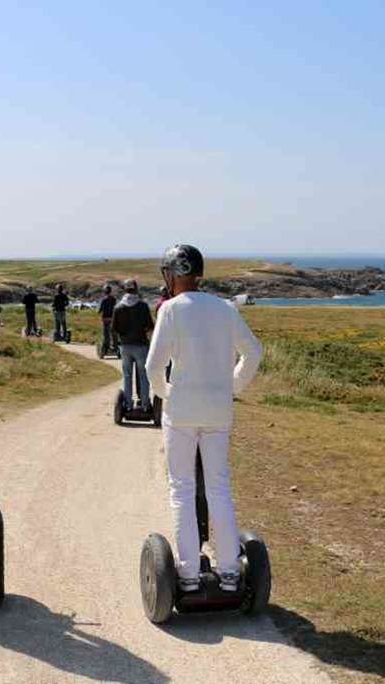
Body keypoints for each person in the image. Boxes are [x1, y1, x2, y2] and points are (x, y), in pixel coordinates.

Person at [145, 244, 263, 593]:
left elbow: (153, 366)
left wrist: (167, 394)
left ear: (176, 272)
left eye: (168, 272)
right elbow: (253, 353)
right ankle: (229, 572)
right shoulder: (225, 309)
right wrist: (231, 386)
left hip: (181, 412)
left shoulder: (171, 311)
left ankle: (188, 574)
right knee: (218, 488)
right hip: (218, 411)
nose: (166, 279)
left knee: (182, 490)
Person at [112, 279, 155, 410]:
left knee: (127, 375)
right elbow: (150, 326)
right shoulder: (143, 306)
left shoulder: (118, 307)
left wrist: (122, 337)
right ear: (136, 289)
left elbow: (114, 328)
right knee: (143, 375)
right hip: (141, 344)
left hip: (125, 345)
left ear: (125, 290)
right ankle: (145, 404)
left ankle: (128, 404)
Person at [97, 285, 117, 355]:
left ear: (104, 291)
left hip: (105, 318)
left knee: (106, 334)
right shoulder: (114, 299)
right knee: (113, 333)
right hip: (112, 318)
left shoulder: (103, 300)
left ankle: (106, 348)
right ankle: (115, 347)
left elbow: (99, 310)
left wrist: (98, 311)